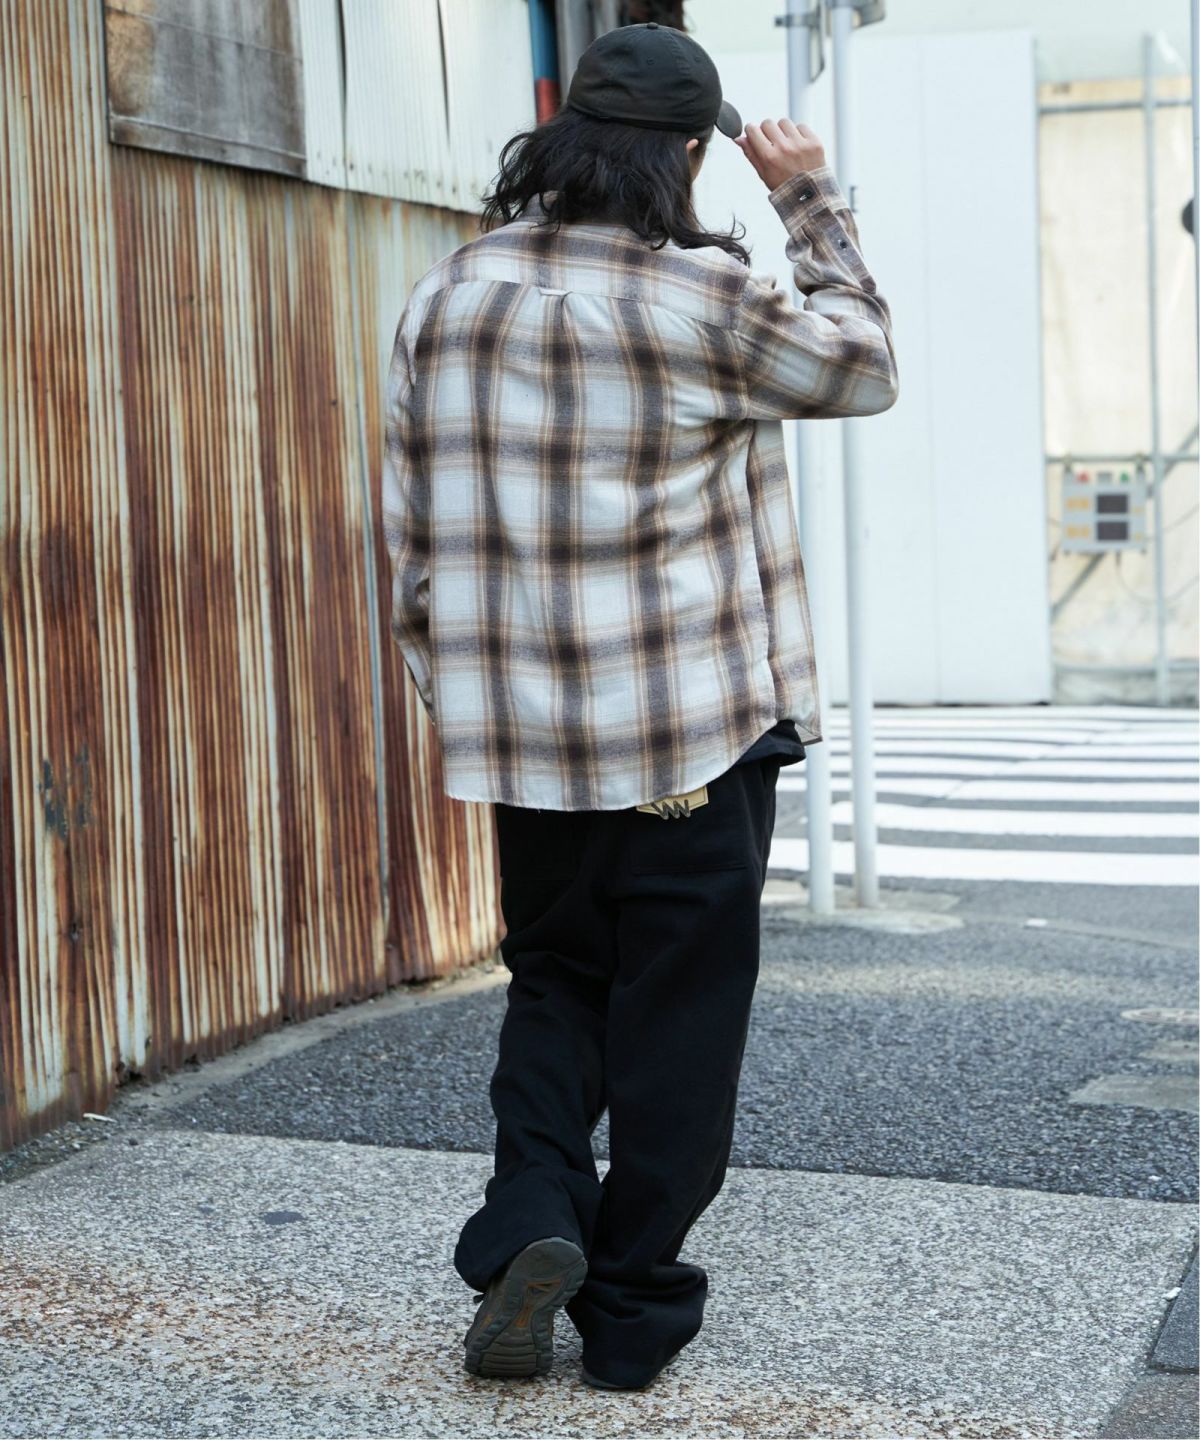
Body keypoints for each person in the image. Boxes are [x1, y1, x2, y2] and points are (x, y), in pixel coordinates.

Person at [382, 20, 897, 1393]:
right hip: (691, 739)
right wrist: (807, 198)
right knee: (678, 1017)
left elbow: (413, 541)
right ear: (687, 157)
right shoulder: (702, 297)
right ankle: (631, 1312)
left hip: (527, 740)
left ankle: (529, 1218)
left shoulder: (449, 293)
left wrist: (459, 694)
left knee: (554, 983)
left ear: (558, 127)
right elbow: (864, 364)